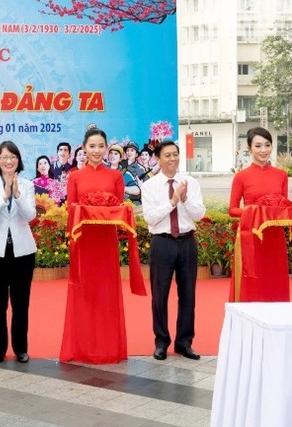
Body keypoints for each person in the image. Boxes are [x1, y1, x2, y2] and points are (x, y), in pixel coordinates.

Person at [60, 127, 130, 364]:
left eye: (101, 146)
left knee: (106, 293)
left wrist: (102, 208)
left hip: (106, 242)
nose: (97, 151)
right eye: (92, 146)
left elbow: (119, 208)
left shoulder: (115, 177)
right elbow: (71, 208)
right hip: (85, 242)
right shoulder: (75, 176)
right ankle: (82, 347)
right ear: (84, 148)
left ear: (107, 148)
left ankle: (109, 348)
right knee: (85, 292)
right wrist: (88, 208)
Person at [141, 141, 206, 361]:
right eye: (167, 155)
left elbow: (199, 215)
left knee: (188, 295)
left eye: (175, 155)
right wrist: (172, 201)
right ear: (157, 159)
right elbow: (150, 218)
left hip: (187, 242)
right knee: (160, 296)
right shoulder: (149, 186)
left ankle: (184, 343)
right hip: (162, 242)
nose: (172, 159)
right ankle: (161, 342)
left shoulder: (191, 182)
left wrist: (185, 198)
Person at [0, 141, 37, 364]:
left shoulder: (28, 185)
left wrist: (18, 195)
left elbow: (30, 216)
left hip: (22, 252)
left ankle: (21, 348)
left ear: (18, 161)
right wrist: (4, 196)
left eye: (13, 157)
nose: (9, 161)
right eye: (4, 157)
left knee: (21, 303)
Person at [228, 127, 289, 301]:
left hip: (274, 236)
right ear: (249, 149)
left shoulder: (281, 175)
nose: (263, 150)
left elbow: (284, 207)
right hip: (250, 235)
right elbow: (232, 209)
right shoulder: (241, 176)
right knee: (251, 280)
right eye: (258, 146)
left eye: (267, 145)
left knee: (274, 279)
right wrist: (255, 212)